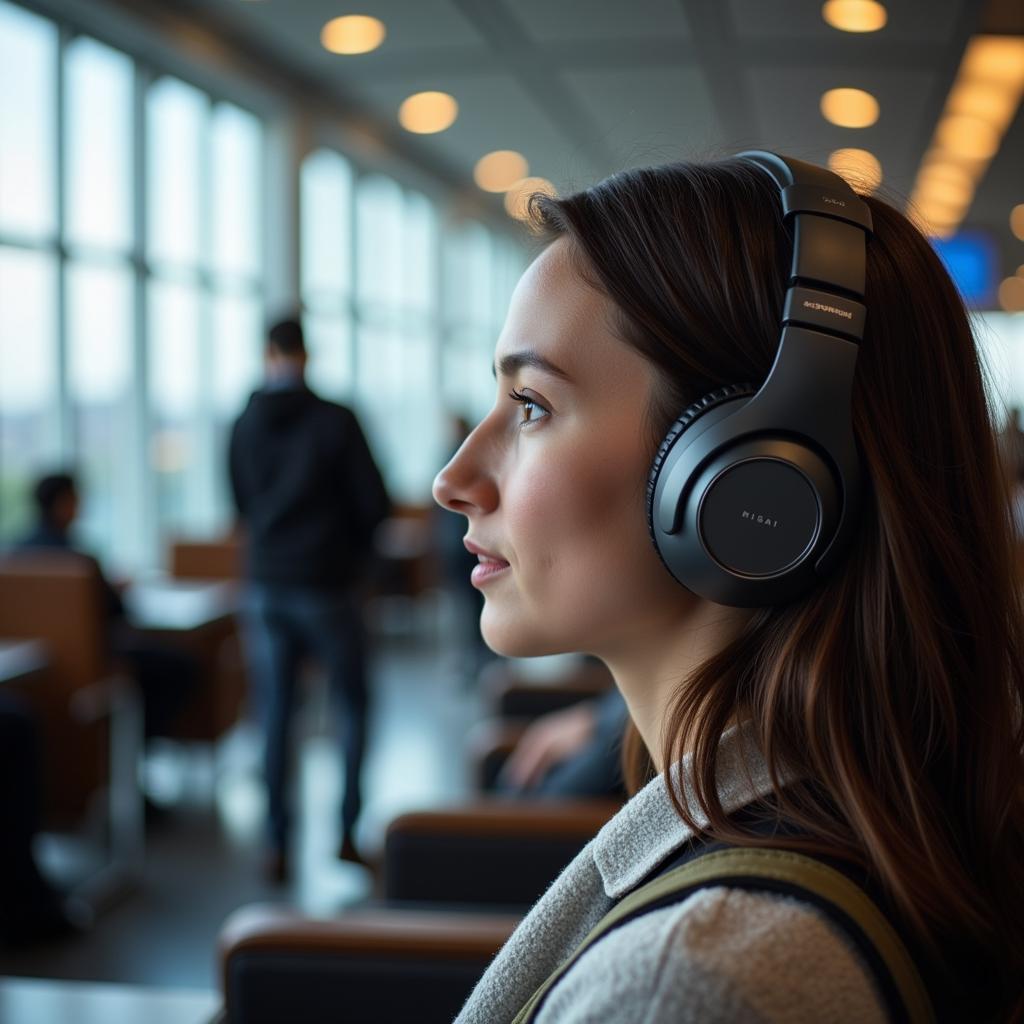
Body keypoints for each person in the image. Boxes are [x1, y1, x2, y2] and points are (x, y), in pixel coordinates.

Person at [433, 153, 1024, 1022]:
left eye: (532, 406)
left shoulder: (687, 988)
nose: (453, 478)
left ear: (748, 481)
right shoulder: (889, 820)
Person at [229, 317, 390, 881]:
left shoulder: (243, 424)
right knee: (351, 705)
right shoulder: (336, 421)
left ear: (265, 351)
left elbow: (240, 506)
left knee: (275, 713)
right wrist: (353, 559)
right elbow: (374, 502)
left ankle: (275, 842)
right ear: (306, 354)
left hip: (266, 585)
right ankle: (346, 832)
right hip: (327, 585)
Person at [17, 472, 197, 745]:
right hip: (92, 659)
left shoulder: (14, 554)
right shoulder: (77, 560)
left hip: (45, 664)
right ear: (64, 503)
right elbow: (118, 612)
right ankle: (140, 747)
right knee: (179, 665)